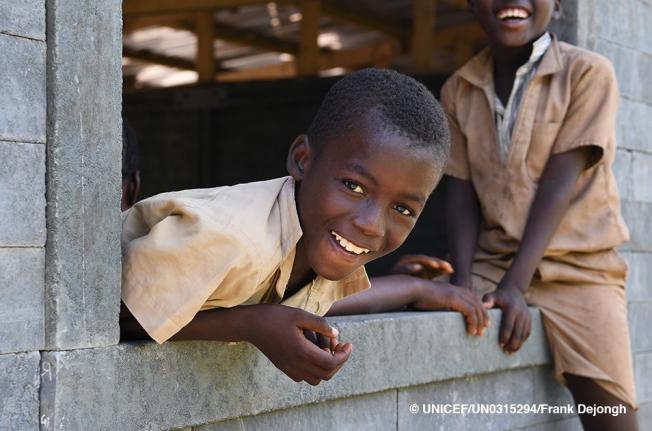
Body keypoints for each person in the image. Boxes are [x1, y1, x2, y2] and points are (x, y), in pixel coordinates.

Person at [119, 68, 490, 386]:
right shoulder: (230, 239)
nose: (371, 224)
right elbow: (117, 320)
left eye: (402, 209)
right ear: (302, 160)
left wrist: (413, 288)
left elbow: (327, 302)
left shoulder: (314, 242)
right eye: (353, 186)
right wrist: (253, 324)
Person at [399, 1, 638, 429]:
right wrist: (462, 282)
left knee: (612, 416)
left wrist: (515, 286)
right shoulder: (459, 88)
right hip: (496, 263)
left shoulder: (587, 74)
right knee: (416, 300)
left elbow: (558, 184)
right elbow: (461, 192)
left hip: (581, 271)